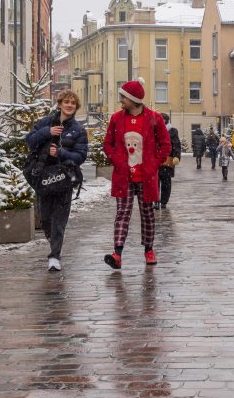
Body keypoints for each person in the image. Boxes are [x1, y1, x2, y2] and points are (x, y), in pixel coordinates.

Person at [102, 80, 171, 269]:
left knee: (147, 214)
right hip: (124, 176)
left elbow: (165, 144)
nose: (121, 100)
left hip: (146, 176)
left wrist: (154, 164)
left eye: (123, 97)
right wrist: (116, 160)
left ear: (133, 99)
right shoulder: (117, 118)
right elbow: (107, 144)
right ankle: (117, 254)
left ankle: (149, 250)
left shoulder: (153, 118)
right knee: (122, 214)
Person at [25, 90, 88, 272]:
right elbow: (30, 141)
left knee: (59, 220)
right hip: (44, 176)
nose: (69, 105)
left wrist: (61, 153)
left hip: (64, 178)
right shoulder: (45, 123)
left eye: (73, 103)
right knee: (45, 219)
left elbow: (81, 156)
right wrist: (47, 132)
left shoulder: (78, 130)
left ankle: (54, 256)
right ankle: (54, 239)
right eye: (66, 102)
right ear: (59, 104)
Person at [157, 113, 182, 209]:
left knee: (166, 182)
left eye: (162, 119)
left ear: (166, 120)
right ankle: (155, 200)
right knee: (155, 182)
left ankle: (163, 201)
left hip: (168, 160)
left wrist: (177, 156)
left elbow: (177, 145)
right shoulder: (154, 130)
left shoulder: (173, 131)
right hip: (156, 159)